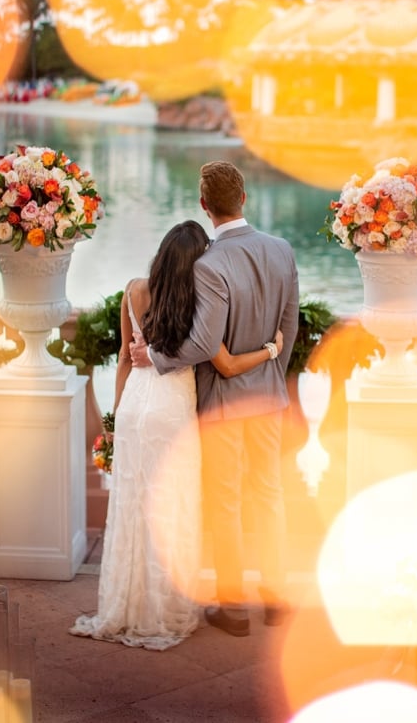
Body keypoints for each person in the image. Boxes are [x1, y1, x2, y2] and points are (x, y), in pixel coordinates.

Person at [69, 220, 283, 651]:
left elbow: (125, 362)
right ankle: (166, 609)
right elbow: (222, 362)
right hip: (173, 410)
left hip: (134, 406)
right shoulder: (199, 301)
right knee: (173, 508)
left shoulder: (133, 290)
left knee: (132, 506)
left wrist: (114, 422)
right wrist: (273, 349)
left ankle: (124, 607)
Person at [131, 161, 299, 638]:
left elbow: (205, 344)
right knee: (268, 495)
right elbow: (290, 325)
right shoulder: (282, 250)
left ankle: (233, 609)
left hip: (224, 401)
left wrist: (156, 358)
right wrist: (270, 375)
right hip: (268, 397)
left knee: (225, 502)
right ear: (243, 199)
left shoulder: (209, 265)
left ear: (204, 206)